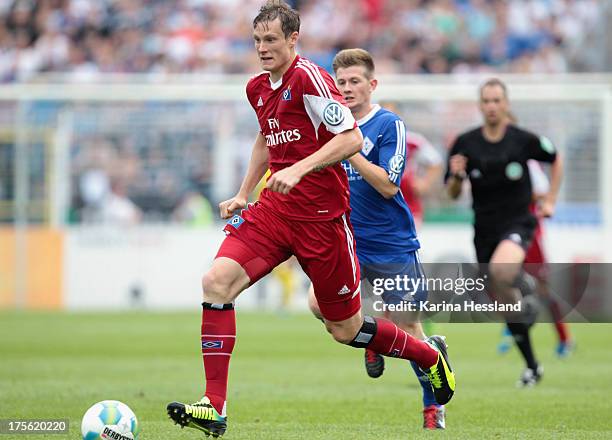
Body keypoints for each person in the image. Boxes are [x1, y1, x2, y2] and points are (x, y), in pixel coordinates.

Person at [166, 2, 455, 437]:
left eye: (271, 40)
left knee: (345, 328)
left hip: (323, 220)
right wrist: (245, 193)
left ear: (292, 40)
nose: (262, 49)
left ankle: (428, 357)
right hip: (274, 213)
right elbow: (266, 139)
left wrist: (301, 168)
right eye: (257, 40)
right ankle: (214, 406)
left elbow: (351, 137)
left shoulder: (311, 78)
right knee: (216, 283)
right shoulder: (257, 88)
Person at [306, 49, 447, 429]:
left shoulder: (389, 124)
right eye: (341, 82)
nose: (347, 88)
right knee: (318, 306)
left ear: (372, 85)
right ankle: (373, 338)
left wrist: (349, 150)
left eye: (355, 81)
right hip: (345, 240)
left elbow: (387, 185)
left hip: (389, 242)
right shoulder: (326, 126)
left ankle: (432, 406)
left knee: (407, 327)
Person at [446, 78, 562, 387]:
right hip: (483, 228)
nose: (492, 106)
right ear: (480, 106)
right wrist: (457, 176)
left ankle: (528, 288)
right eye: (487, 101)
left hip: (518, 223)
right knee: (502, 303)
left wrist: (550, 199)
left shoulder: (522, 140)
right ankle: (533, 365)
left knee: (501, 270)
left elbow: (555, 157)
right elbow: (453, 193)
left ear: (506, 104)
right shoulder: (465, 143)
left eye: (497, 100)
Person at [497, 159, 574, 357]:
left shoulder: (528, 162)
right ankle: (512, 332)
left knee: (542, 287)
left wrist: (514, 194)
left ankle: (564, 338)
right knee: (503, 281)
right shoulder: (495, 157)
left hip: (528, 234)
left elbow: (543, 192)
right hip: (504, 230)